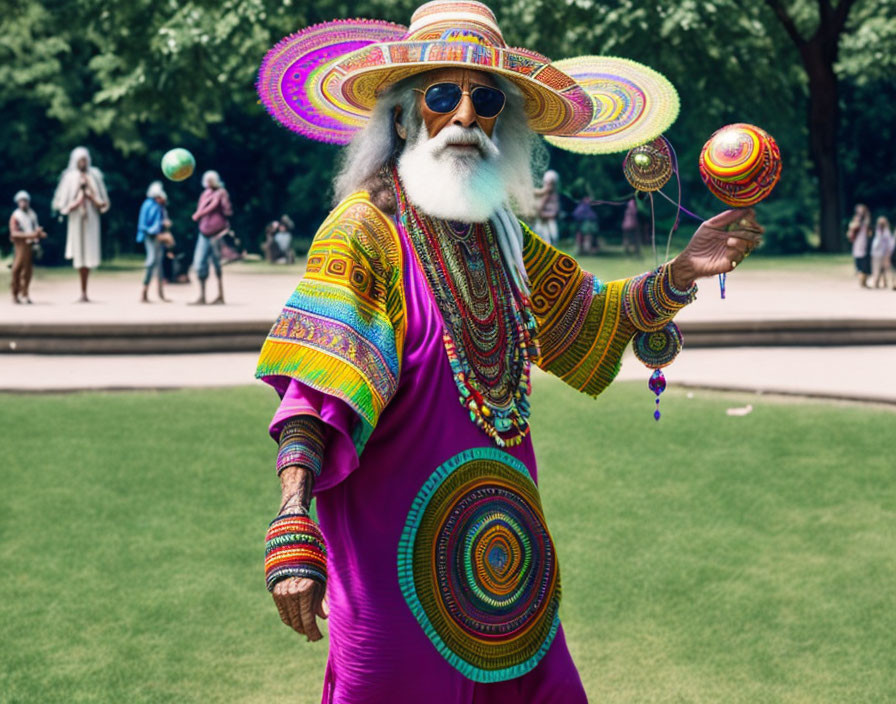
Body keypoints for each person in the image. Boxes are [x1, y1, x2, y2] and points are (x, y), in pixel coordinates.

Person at [254, 3, 763, 702]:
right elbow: (317, 388)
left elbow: (588, 319)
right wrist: (292, 515)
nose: (466, 114)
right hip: (391, 574)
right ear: (404, 116)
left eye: (486, 99)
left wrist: (682, 271)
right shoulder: (363, 230)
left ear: (505, 122)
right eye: (442, 95)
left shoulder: (502, 239)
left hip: (508, 571)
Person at [51, 146, 110, 302]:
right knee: (79, 254)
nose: (83, 163)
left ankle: (85, 291)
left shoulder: (94, 176)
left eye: (84, 160)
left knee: (89, 253)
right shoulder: (69, 177)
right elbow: (62, 202)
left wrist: (90, 192)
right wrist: (75, 199)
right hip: (76, 219)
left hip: (91, 219)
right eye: (80, 160)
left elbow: (102, 201)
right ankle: (82, 290)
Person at [190, 170, 231, 304]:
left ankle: (221, 295)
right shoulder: (205, 194)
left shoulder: (221, 193)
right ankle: (202, 296)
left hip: (217, 233)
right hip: (204, 232)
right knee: (199, 263)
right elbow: (201, 209)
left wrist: (223, 199)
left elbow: (228, 211)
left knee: (217, 264)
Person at [8, 190, 46, 304]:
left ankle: (25, 293)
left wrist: (38, 235)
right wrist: (32, 235)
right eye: (21, 201)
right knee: (16, 270)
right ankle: (15, 293)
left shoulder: (32, 214)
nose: (24, 203)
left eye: (25, 200)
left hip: (30, 245)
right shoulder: (16, 216)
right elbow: (14, 233)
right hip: (20, 245)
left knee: (28, 271)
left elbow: (35, 229)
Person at [136, 181, 172, 303]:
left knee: (159, 265)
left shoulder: (161, 207)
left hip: (159, 237)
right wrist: (156, 232)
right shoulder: (148, 205)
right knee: (151, 262)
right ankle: (144, 292)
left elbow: (162, 222)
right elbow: (144, 225)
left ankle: (161, 293)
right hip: (150, 237)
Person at [847, 203, 872, 288]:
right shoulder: (857, 220)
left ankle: (864, 281)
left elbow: (869, 232)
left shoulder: (865, 221)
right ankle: (862, 280)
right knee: (860, 265)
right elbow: (852, 228)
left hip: (865, 244)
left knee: (865, 265)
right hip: (859, 244)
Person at [533, 170, 560, 245]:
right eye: (548, 183)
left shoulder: (553, 195)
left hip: (549, 219)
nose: (549, 186)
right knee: (543, 237)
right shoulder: (543, 194)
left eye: (551, 184)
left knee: (553, 237)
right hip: (542, 220)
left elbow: (555, 211)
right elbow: (539, 209)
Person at [870, 215, 894, 289]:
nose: (881, 224)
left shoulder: (887, 232)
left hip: (885, 253)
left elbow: (890, 243)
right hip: (876, 253)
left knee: (886, 269)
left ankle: (887, 282)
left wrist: (889, 253)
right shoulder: (877, 231)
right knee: (876, 268)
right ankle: (876, 282)